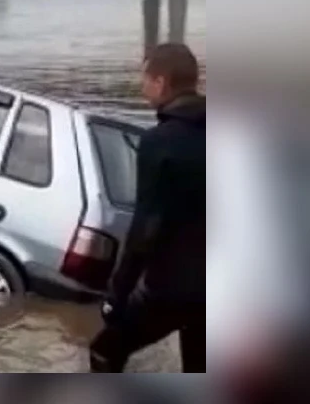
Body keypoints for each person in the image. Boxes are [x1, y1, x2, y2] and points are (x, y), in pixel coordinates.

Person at [90, 42, 206, 372]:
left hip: (170, 290)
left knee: (104, 351)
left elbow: (146, 227)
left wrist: (117, 293)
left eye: (145, 80)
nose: (142, 90)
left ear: (161, 82)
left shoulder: (160, 142)